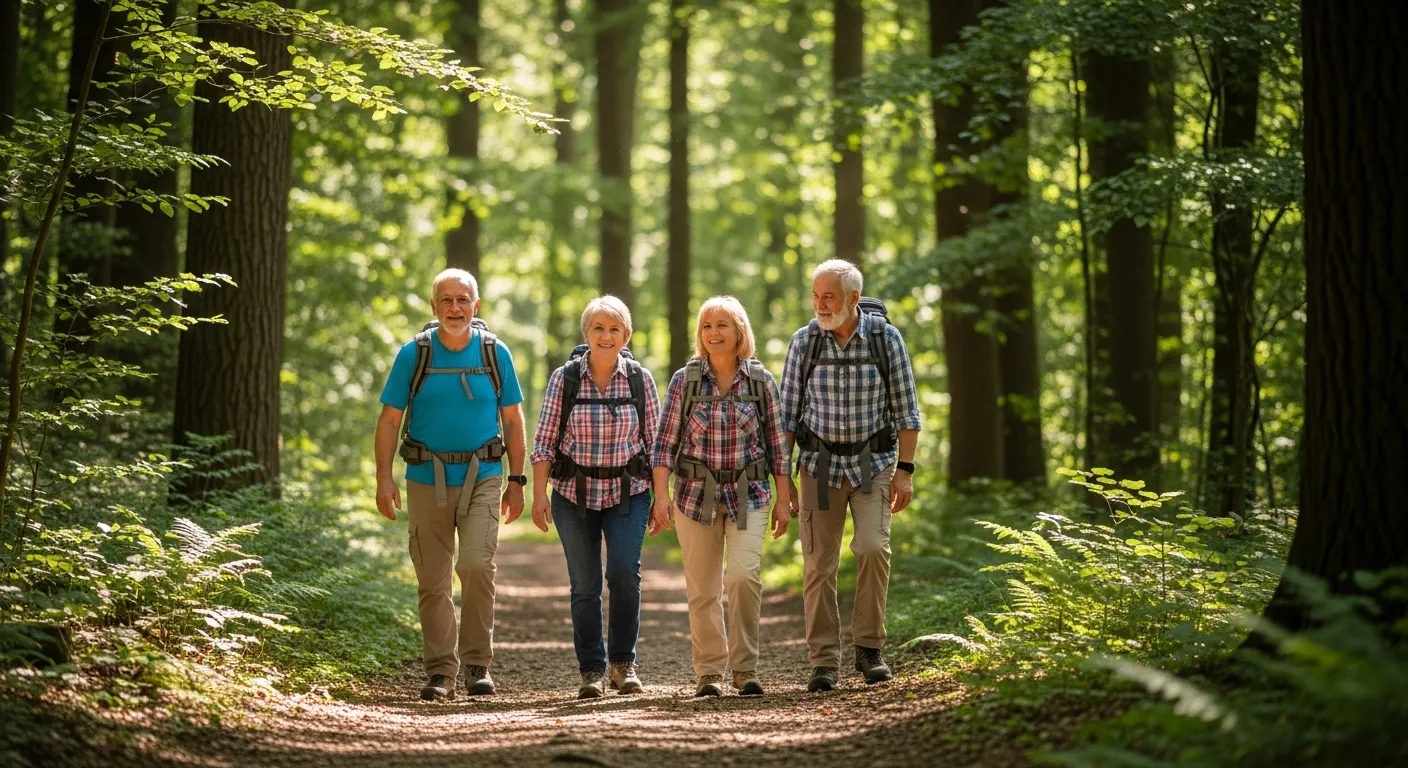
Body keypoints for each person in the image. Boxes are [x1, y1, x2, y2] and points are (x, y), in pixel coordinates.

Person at [373, 268, 527, 701]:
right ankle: (441, 671)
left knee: (477, 565)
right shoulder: (413, 354)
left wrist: (517, 482)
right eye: (447, 300)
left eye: (463, 300)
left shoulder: (495, 354)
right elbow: (389, 420)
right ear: (434, 306)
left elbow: (513, 420)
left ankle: (478, 663)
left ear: (475, 306)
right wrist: (384, 479)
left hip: (484, 476)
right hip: (425, 477)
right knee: (433, 579)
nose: (455, 308)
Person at [779, 259, 920, 693]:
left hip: (872, 465)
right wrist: (782, 484)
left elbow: (907, 411)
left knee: (873, 548)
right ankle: (823, 661)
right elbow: (785, 418)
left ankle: (869, 648)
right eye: (816, 295)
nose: (820, 304)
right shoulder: (805, 342)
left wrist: (905, 472)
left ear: (853, 299)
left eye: (829, 297)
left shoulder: (885, 340)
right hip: (818, 467)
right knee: (819, 563)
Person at [651, 296, 791, 697]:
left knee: (743, 576)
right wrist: (661, 496)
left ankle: (745, 669)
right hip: (695, 496)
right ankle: (709, 672)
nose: (714, 332)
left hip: (750, 493)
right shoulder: (685, 380)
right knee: (703, 588)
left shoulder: (762, 382)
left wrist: (784, 499)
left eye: (723, 325)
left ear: (739, 332)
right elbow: (664, 444)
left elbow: (779, 447)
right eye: (708, 325)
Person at [526, 296, 660, 699]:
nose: (606, 335)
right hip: (572, 495)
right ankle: (592, 671)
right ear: (586, 334)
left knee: (623, 574)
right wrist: (538, 495)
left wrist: (662, 497)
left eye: (614, 329)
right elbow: (544, 441)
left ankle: (623, 664)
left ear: (626, 335)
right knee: (584, 585)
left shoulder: (640, 379)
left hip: (629, 493)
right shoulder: (564, 379)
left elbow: (656, 446)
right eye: (598, 328)